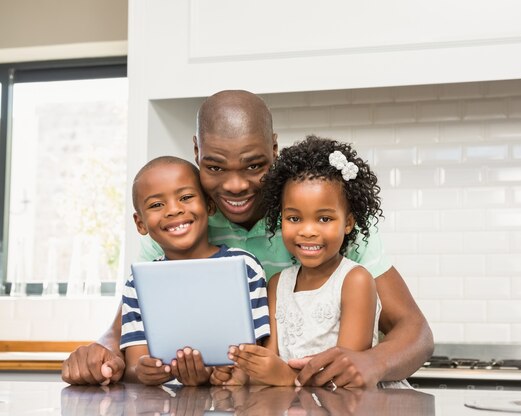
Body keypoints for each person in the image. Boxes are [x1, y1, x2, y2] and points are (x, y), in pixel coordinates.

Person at [61, 90, 434, 387]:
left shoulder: (323, 217)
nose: (236, 185)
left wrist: (373, 361)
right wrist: (101, 353)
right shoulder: (182, 223)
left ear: (274, 148)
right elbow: (127, 325)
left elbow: (415, 331)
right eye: (214, 167)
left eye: (254, 166)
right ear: (196, 152)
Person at [216, 136, 410, 388]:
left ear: (348, 223)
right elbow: (271, 365)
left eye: (324, 219)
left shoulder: (355, 281)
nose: (308, 231)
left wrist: (286, 377)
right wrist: (244, 373)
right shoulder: (277, 284)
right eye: (294, 219)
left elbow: (344, 377)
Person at [120, 156, 269, 385]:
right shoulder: (138, 283)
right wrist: (145, 372)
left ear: (209, 205)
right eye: (156, 205)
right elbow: (133, 365)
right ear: (140, 223)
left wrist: (218, 374)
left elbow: (256, 357)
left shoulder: (245, 267)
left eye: (186, 197)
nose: (173, 210)